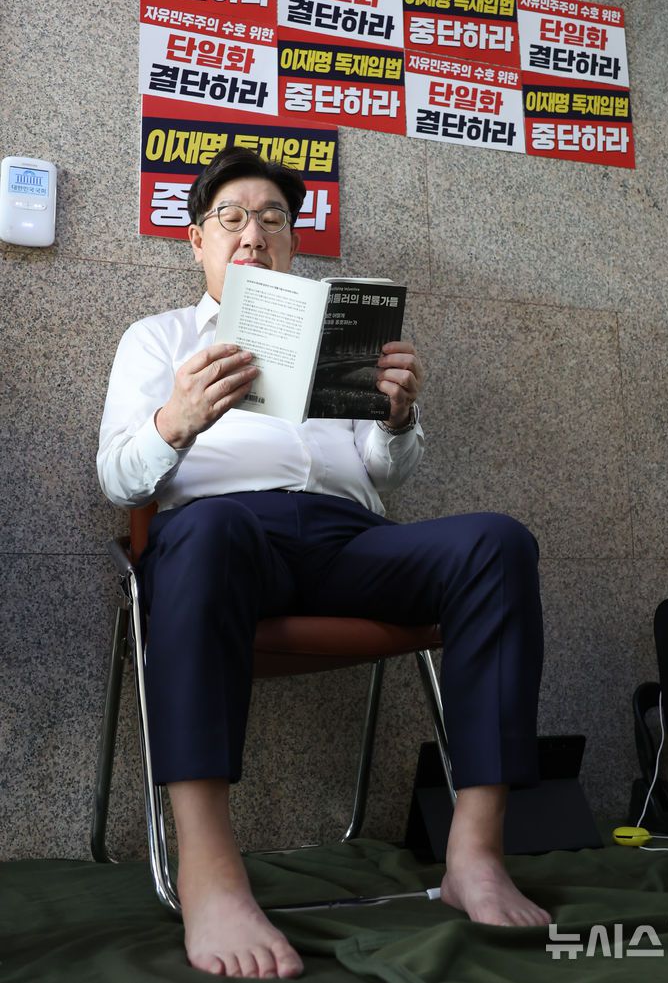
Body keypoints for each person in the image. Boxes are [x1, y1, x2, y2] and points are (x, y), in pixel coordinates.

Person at [97, 146, 550, 979]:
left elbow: (385, 473)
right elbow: (118, 477)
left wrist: (398, 418)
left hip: (349, 539)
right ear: (198, 240)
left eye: (273, 218)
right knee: (206, 531)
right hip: (225, 539)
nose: (254, 233)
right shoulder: (158, 339)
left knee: (498, 543)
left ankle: (476, 854)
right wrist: (177, 419)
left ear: (293, 242)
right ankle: (209, 870)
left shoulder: (336, 336)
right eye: (233, 217)